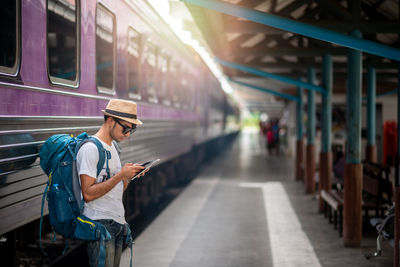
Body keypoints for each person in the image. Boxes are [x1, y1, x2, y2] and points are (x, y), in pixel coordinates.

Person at [77, 99, 147, 267]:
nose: (128, 134)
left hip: (117, 223)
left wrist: (127, 177)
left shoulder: (114, 148)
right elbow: (87, 194)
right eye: (126, 128)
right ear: (110, 121)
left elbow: (117, 190)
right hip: (100, 224)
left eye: (132, 130)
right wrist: (119, 175)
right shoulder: (90, 149)